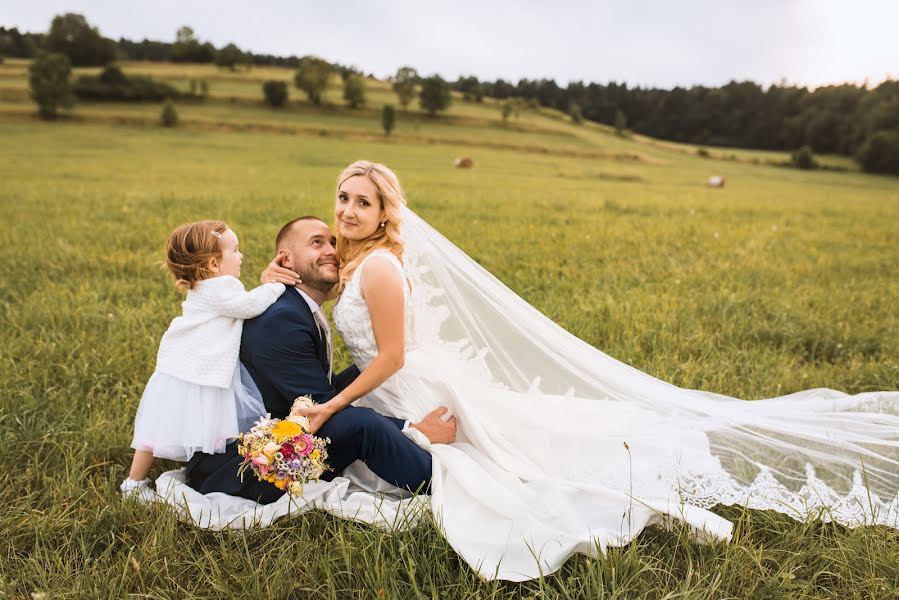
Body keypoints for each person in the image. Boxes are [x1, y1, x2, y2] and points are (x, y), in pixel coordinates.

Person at [269, 160, 899, 582]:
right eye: (343, 199)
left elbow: (391, 356)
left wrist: (327, 407)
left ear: (386, 213)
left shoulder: (378, 267)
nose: (348, 212)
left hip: (409, 384)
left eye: (363, 202)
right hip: (396, 391)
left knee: (513, 471)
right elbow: (330, 306)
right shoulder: (356, 263)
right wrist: (275, 278)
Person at [182, 216, 456, 505]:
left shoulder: (296, 304)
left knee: (367, 370)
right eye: (317, 243)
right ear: (285, 260)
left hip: (291, 419)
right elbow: (321, 407)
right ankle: (439, 483)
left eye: (332, 243)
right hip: (244, 466)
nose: (331, 251)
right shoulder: (281, 320)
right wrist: (412, 428)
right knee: (363, 424)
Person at [121, 220, 290, 500]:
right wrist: (274, 286)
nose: (241, 256)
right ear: (213, 264)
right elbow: (249, 306)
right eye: (235, 251)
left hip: (191, 368)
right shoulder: (220, 287)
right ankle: (133, 485)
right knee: (167, 428)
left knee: (174, 425)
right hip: (195, 370)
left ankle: (158, 475)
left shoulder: (209, 285)